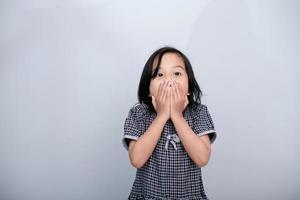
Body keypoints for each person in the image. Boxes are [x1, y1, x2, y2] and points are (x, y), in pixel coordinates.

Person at [122, 46, 217, 200]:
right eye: (160, 74)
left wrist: (177, 116)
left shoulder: (198, 112)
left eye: (177, 73)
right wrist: (162, 115)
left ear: (189, 86)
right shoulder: (138, 113)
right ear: (148, 88)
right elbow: (137, 160)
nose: (169, 80)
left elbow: (202, 158)